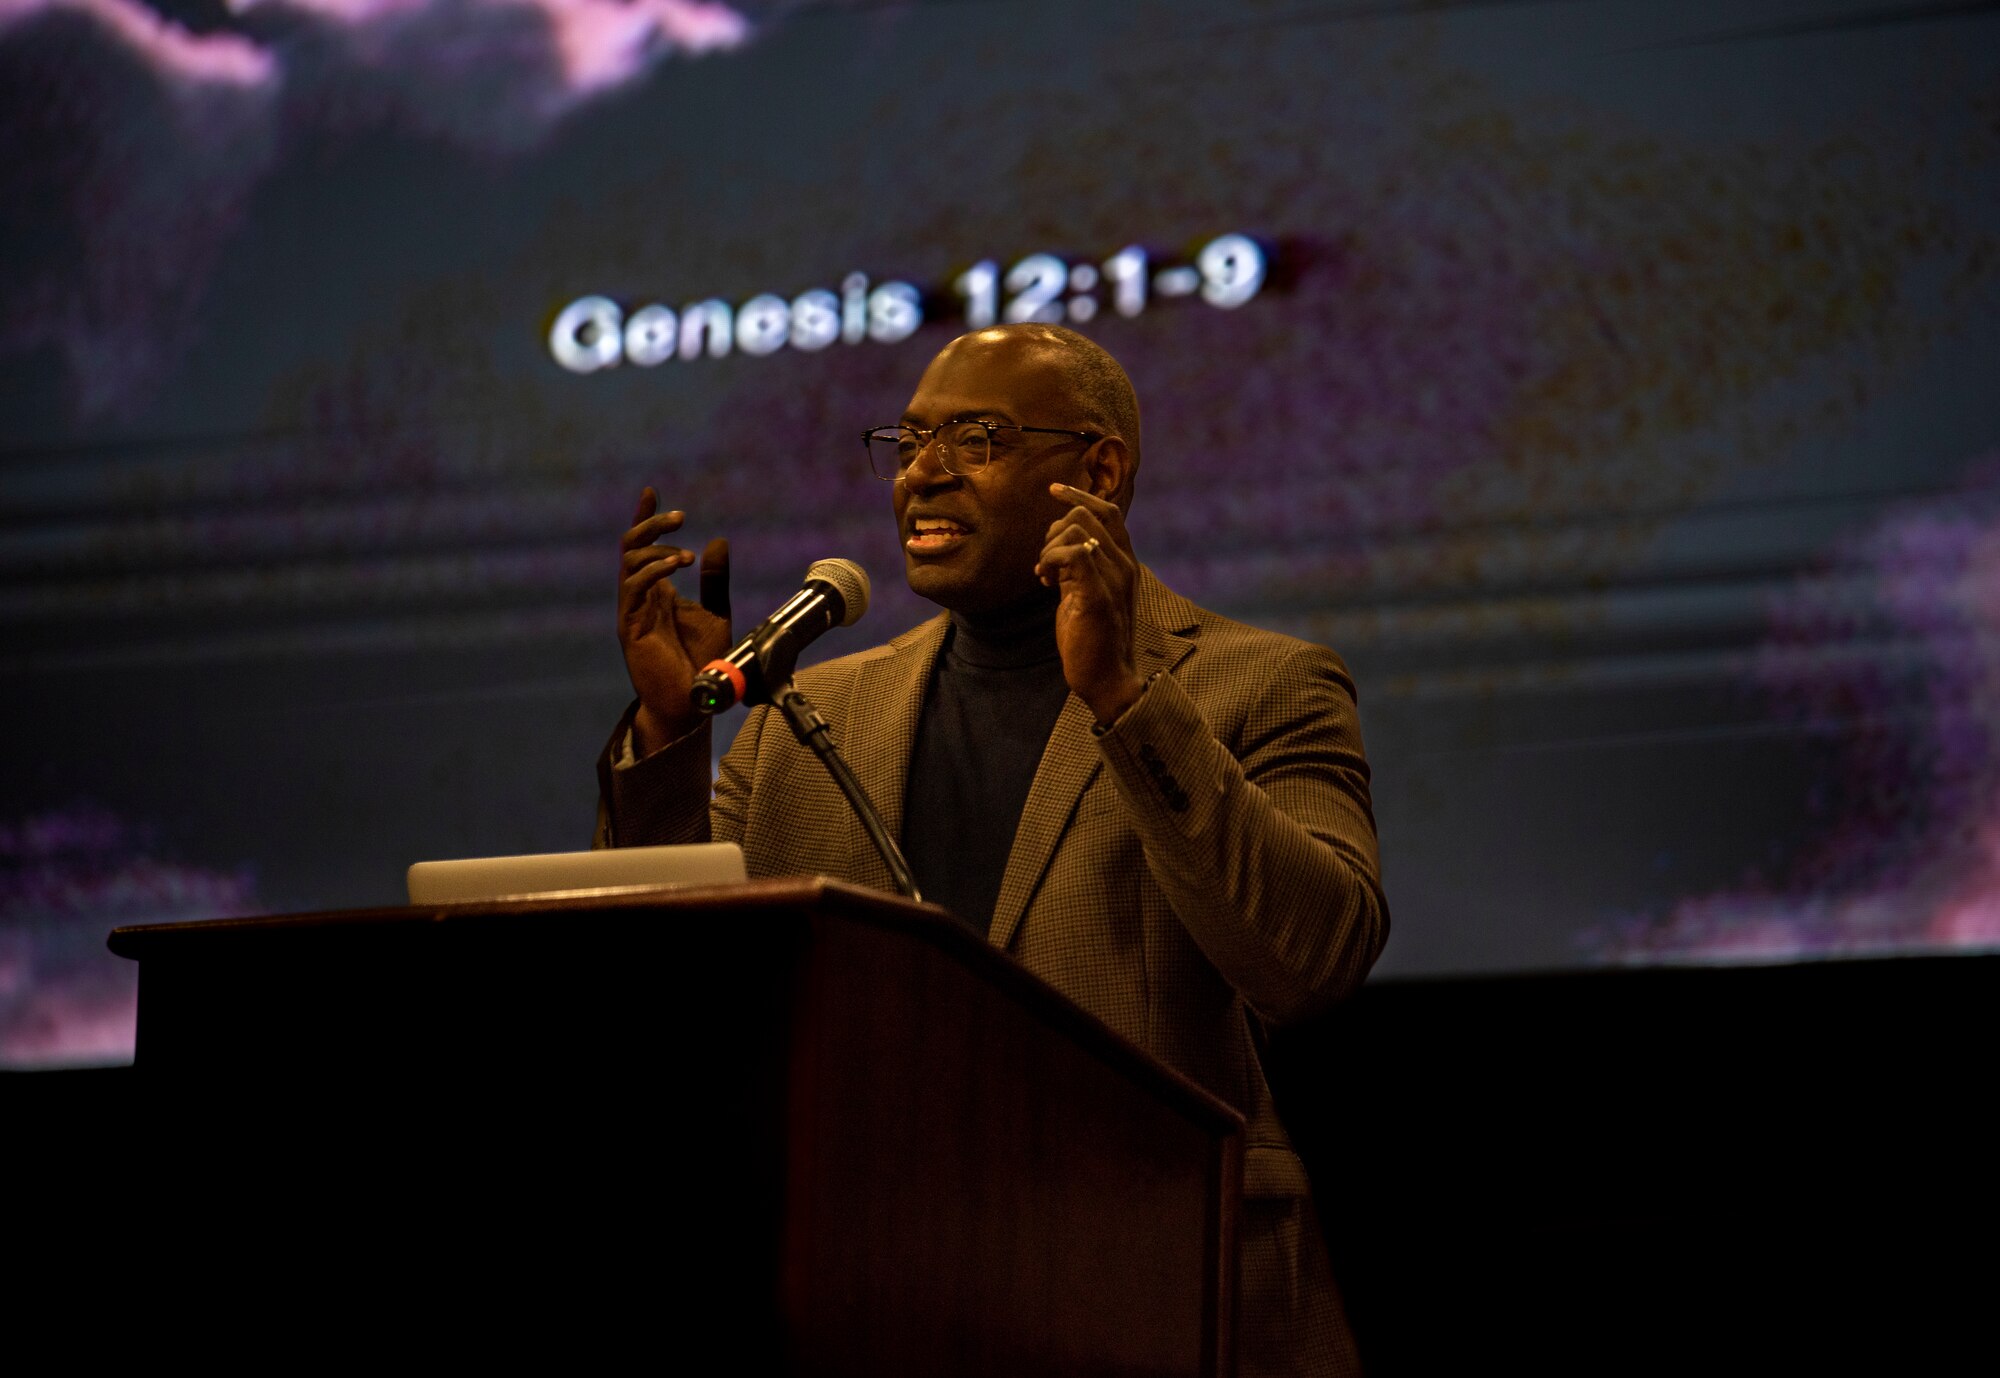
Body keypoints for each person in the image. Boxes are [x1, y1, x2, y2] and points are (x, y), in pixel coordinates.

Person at [596, 323, 1388, 1377]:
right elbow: (672, 995)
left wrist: (1123, 695)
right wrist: (669, 739)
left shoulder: (1260, 683)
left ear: (1096, 470)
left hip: (1162, 1300)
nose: (921, 473)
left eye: (975, 438)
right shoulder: (808, 710)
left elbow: (1310, 960)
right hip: (877, 1304)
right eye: (909, 440)